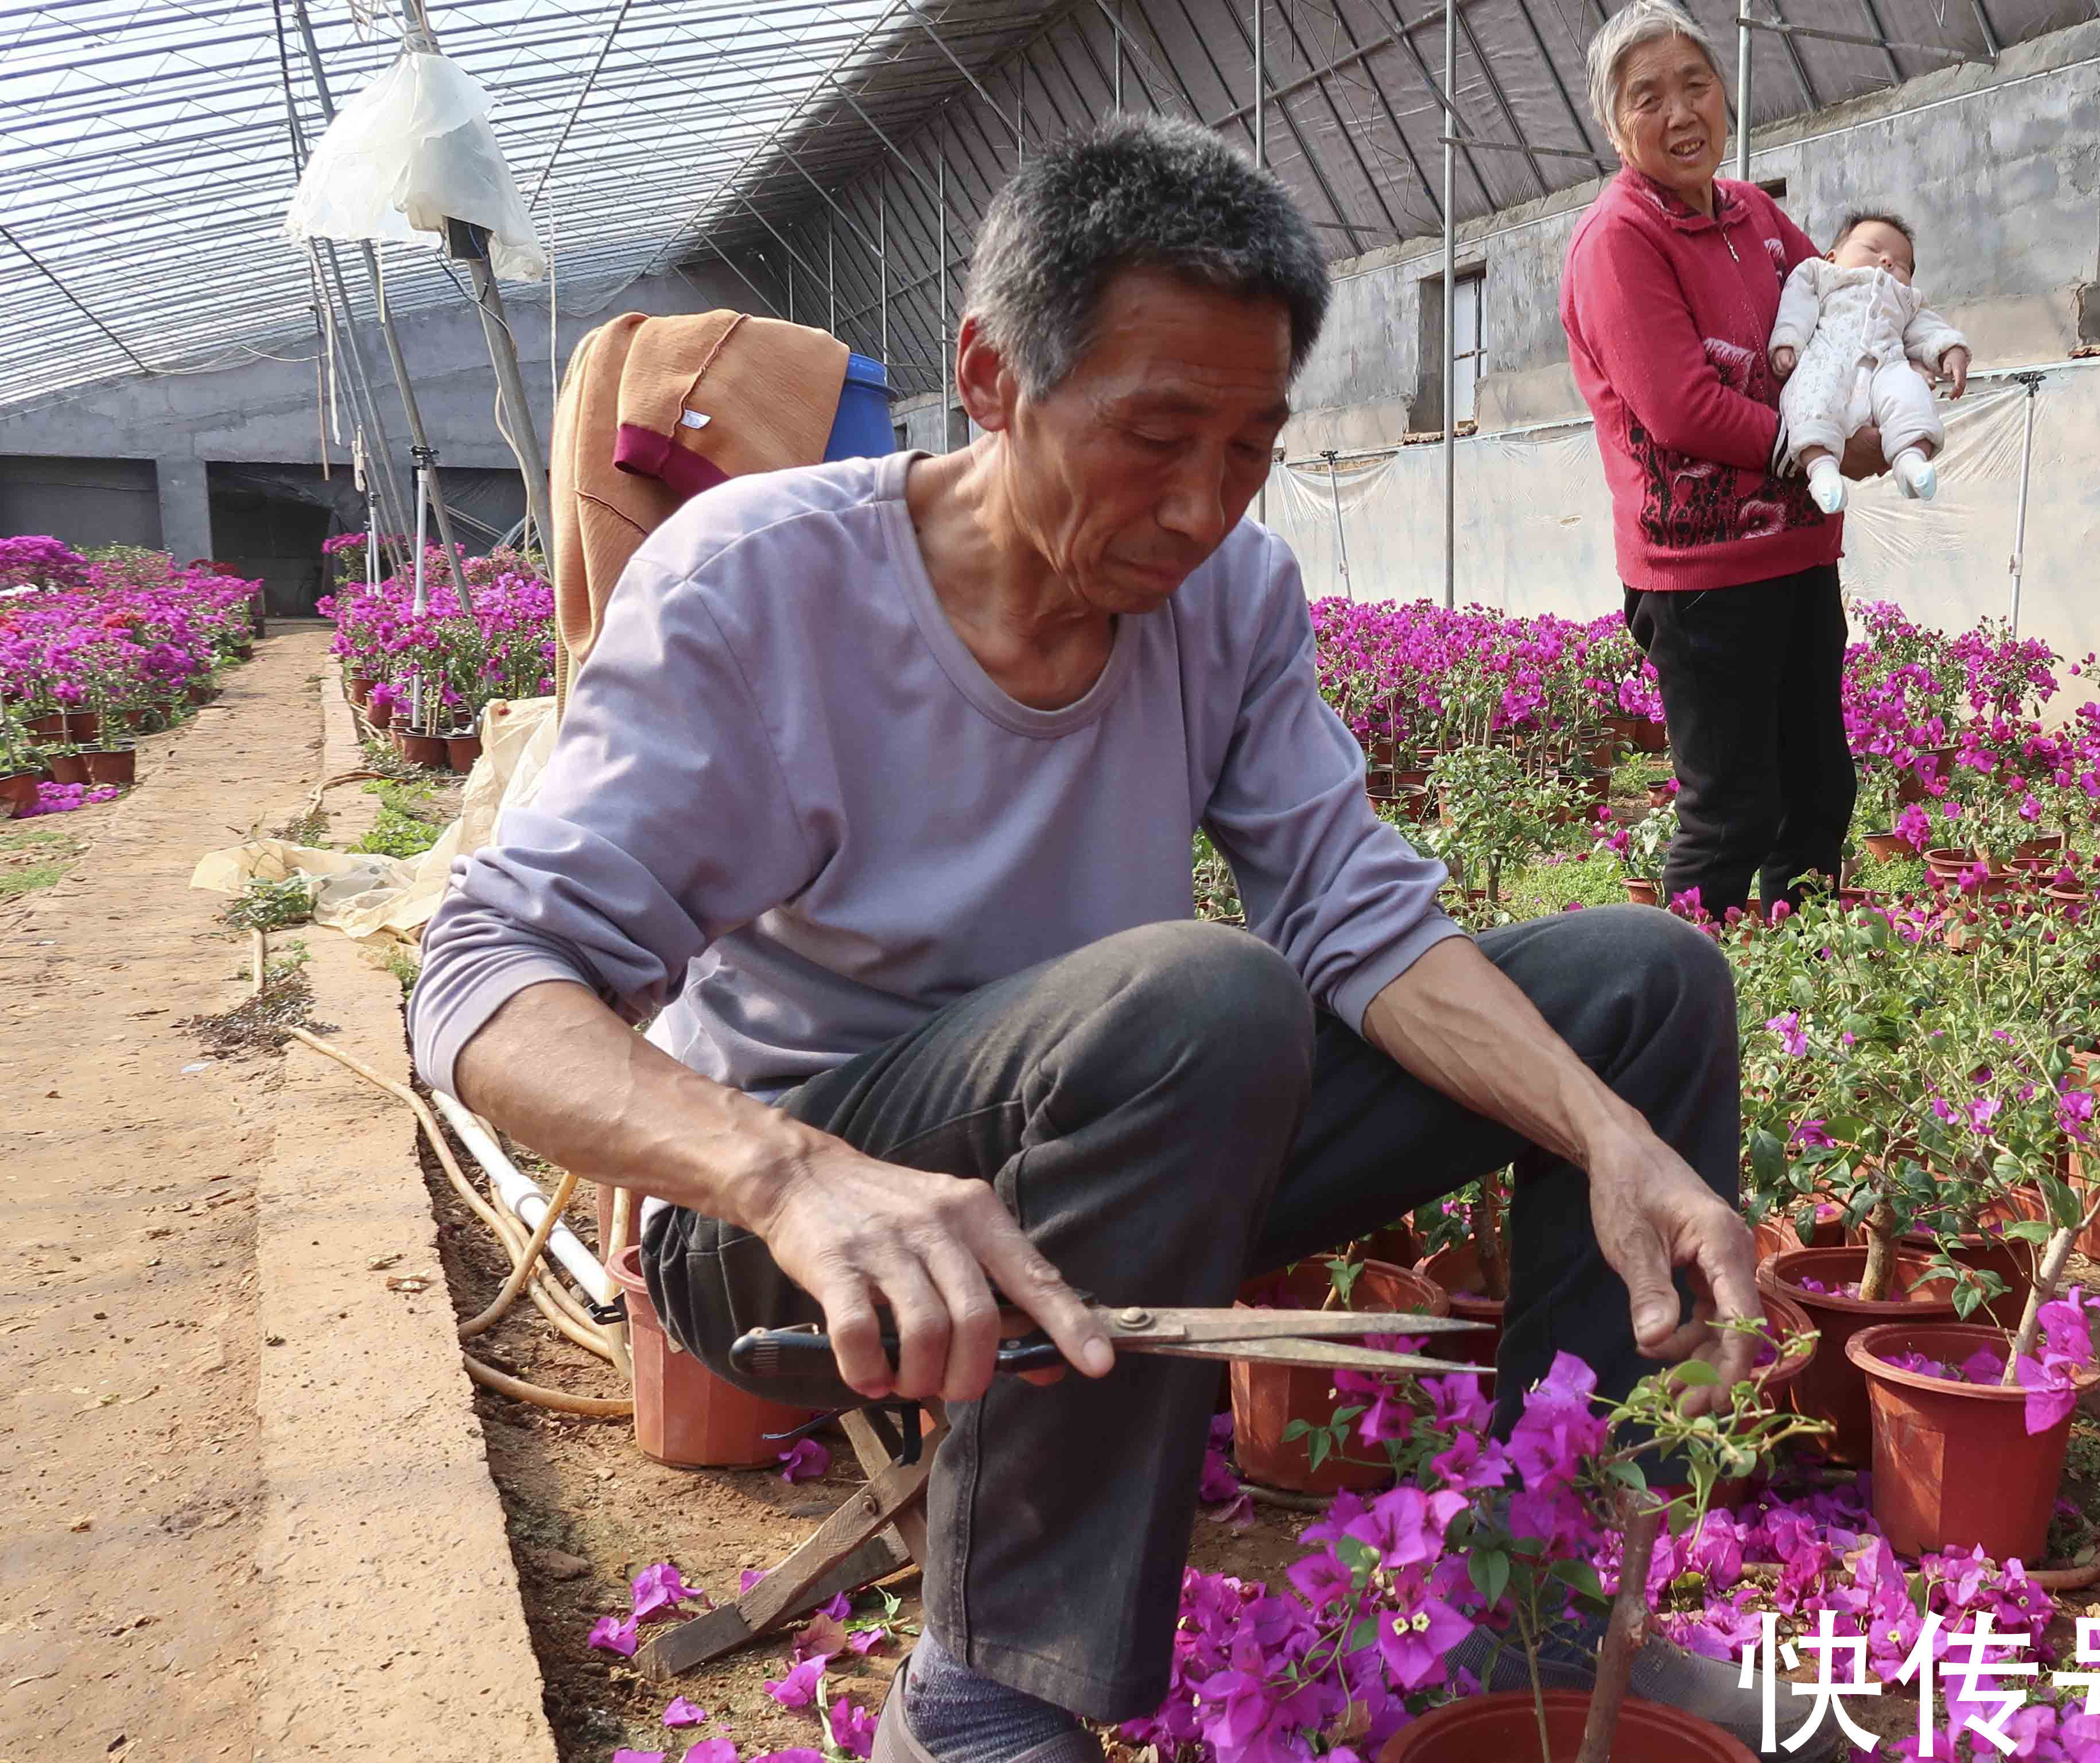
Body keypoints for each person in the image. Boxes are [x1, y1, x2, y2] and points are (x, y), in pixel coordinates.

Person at [410, 117, 1768, 1763]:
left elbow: (1352, 908)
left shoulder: (1229, 598)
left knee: (1641, 988)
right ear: (992, 377)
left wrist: (1611, 1139)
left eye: (1253, 447)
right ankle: (993, 1683)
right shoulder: (758, 592)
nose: (1202, 506)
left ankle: (1540, 1605)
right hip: (790, 1236)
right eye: (1155, 435)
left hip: (1111, 1162)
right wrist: (782, 1173)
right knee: (1201, 996)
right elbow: (485, 980)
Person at [1563, 1, 1966, 923]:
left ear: (1726, 94)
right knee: (1732, 808)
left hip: (1795, 551)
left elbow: (1843, 303)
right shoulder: (1619, 240)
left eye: (1695, 84)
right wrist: (1831, 451)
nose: (1679, 114)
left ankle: (1801, 977)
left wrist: (1902, 369)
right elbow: (1682, 410)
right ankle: (1685, 997)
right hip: (1701, 572)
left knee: (1818, 789)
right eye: (1648, 97)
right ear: (1615, 123)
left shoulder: (1752, 211)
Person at [1771, 211, 1970, 512]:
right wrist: (1788, 340)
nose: (1888, 261)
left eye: (1903, 263)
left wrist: (1950, 350)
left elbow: (1927, 328)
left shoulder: (1906, 300)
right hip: (1828, 356)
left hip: (1886, 367)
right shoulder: (1820, 274)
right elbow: (1797, 305)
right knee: (1812, 396)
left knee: (1911, 393)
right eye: (1873, 249)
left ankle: (1911, 460)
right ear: (1832, 257)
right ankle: (1821, 470)